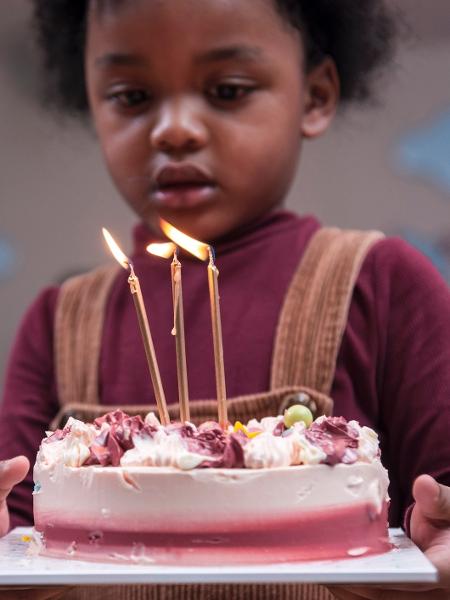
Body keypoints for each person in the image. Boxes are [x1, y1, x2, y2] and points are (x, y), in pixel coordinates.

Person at [0, 1, 449, 599]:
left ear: (314, 96)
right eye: (132, 97)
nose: (175, 129)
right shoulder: (58, 322)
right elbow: (21, 539)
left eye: (228, 89)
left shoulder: (386, 284)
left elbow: (436, 508)